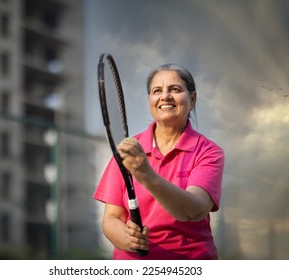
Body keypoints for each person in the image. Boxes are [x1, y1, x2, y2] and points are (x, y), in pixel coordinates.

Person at [93, 63, 225, 260]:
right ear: (150, 100)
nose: (165, 96)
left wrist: (146, 175)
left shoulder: (209, 152)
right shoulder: (127, 150)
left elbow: (194, 210)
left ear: (193, 99)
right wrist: (127, 239)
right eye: (157, 91)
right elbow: (111, 218)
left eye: (175, 89)